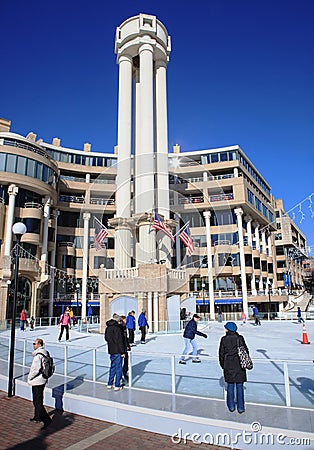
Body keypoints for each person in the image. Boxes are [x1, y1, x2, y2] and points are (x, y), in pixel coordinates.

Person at [219, 322, 250, 414]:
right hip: (240, 365)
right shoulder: (240, 338)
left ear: (228, 329)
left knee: (230, 386)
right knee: (240, 386)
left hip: (229, 365)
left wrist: (223, 365)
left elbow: (221, 353)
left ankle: (231, 406)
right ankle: (241, 407)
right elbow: (246, 351)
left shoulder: (224, 339)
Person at [27, 338, 52, 429]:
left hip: (37, 380)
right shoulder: (46, 353)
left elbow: (35, 370)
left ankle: (47, 420)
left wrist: (29, 377)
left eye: (35, 343)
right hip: (43, 379)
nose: (33, 345)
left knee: (37, 401)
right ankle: (37, 417)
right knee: (39, 399)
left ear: (39, 344)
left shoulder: (38, 356)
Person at [104, 313, 125, 390]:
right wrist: (122, 352)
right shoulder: (117, 328)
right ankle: (117, 385)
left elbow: (106, 338)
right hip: (118, 351)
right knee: (118, 367)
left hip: (111, 349)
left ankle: (110, 383)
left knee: (112, 366)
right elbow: (120, 341)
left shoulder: (108, 328)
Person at [120, 315, 131, 382]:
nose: (126, 321)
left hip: (125, 346)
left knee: (126, 361)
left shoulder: (124, 327)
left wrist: (128, 345)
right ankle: (120, 375)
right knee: (120, 361)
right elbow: (122, 339)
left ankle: (124, 372)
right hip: (121, 348)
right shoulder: (121, 328)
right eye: (125, 320)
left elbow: (125, 338)